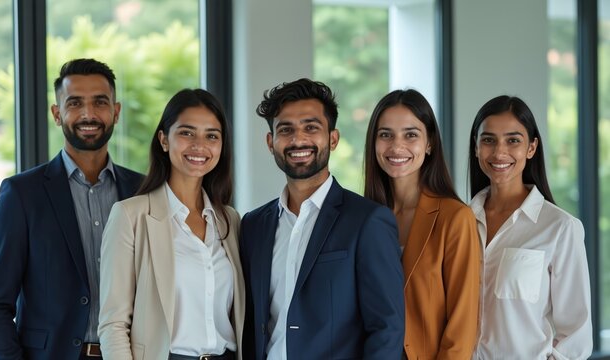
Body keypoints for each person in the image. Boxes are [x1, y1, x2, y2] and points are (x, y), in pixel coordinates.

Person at [0, 58, 143, 359]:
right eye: (75, 103)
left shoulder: (142, 191)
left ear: (116, 112)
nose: (88, 114)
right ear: (57, 114)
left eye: (100, 102)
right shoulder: (21, 195)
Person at [240, 78, 405, 359]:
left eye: (311, 127)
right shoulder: (253, 225)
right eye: (285, 130)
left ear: (333, 138)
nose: (298, 139)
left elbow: (386, 328)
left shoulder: (369, 221)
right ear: (271, 142)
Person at [98, 88, 243, 360]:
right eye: (186, 133)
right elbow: (113, 324)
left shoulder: (230, 220)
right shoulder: (131, 216)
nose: (199, 145)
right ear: (164, 140)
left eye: (211, 135)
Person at [468, 95, 592, 359]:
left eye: (513, 140)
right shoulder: (459, 223)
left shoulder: (559, 228)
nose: (499, 152)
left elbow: (577, 333)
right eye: (488, 140)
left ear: (531, 148)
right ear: (476, 147)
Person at [363, 89, 480, 359]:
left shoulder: (455, 218)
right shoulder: (363, 218)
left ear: (429, 144)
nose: (396, 146)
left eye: (411, 134)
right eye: (385, 134)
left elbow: (462, 328)